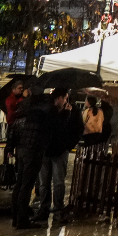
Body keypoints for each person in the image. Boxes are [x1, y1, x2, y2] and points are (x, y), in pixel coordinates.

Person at [34, 88, 83, 223]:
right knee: (44, 183)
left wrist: (68, 146)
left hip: (60, 151)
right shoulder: (48, 110)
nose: (63, 100)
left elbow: (78, 129)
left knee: (59, 182)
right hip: (46, 150)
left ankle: (58, 209)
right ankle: (44, 209)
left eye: (65, 97)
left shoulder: (73, 111)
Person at [10, 92, 55, 228]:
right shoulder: (44, 112)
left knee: (20, 183)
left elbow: (14, 130)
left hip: (22, 149)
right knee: (27, 185)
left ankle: (15, 217)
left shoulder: (24, 110)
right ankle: (22, 219)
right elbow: (49, 130)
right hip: (34, 150)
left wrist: (10, 146)